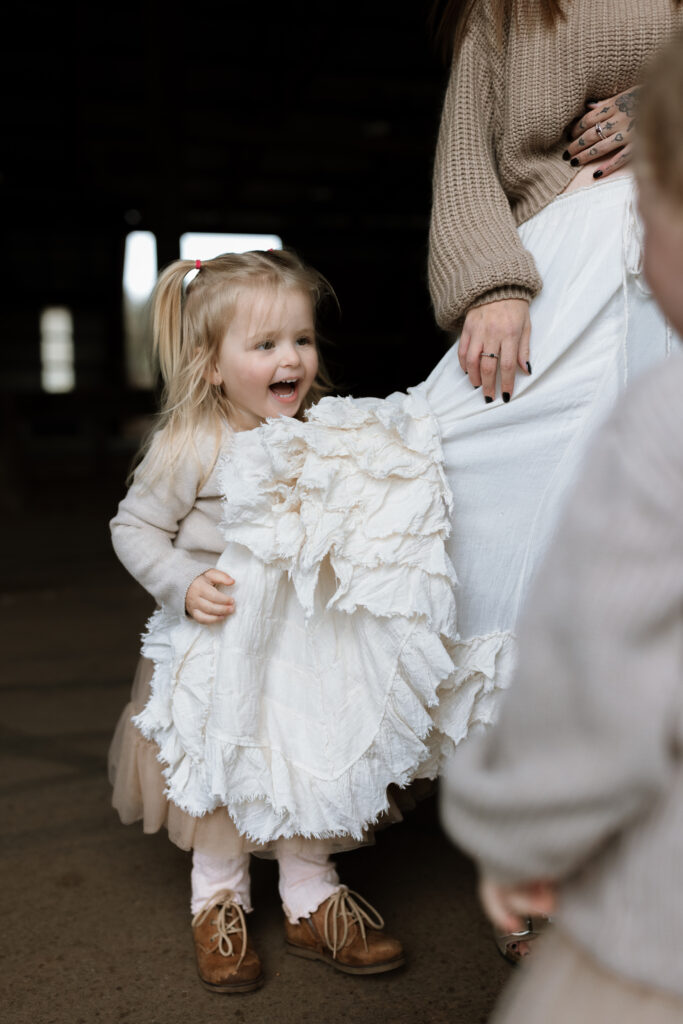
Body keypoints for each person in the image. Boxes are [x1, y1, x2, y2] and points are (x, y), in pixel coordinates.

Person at [109, 248, 463, 994]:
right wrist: (180, 582)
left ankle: (310, 896)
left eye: (301, 339)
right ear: (212, 366)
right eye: (265, 344)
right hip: (219, 644)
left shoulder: (321, 434)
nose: (291, 358)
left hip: (301, 647)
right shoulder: (191, 444)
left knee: (308, 756)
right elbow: (133, 527)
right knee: (222, 770)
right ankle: (219, 899)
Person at [426, 0, 682, 959]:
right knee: (483, 529)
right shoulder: (501, 10)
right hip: (559, 269)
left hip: (670, 243)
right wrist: (490, 284)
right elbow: (464, 156)